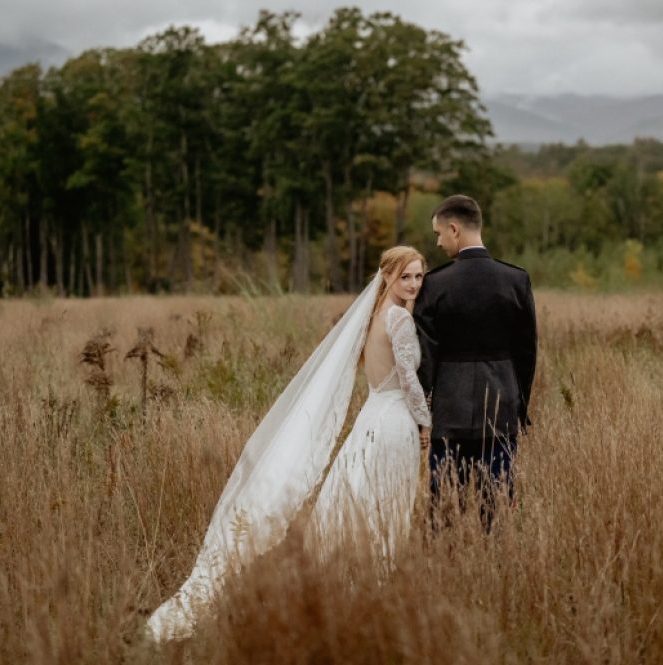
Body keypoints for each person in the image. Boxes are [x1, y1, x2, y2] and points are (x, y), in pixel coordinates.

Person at [146, 247, 431, 642]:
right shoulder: (398, 317)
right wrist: (425, 421)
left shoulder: (373, 316)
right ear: (387, 277)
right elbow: (410, 381)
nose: (414, 284)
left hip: (371, 418)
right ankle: (367, 594)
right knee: (384, 505)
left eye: (419, 276)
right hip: (394, 421)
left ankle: (341, 592)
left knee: (363, 502)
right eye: (406, 277)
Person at [413, 194, 537, 527]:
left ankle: (446, 568)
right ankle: (491, 570)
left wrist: (422, 412)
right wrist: (518, 406)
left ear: (454, 229)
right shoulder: (516, 280)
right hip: (501, 409)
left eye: (439, 233)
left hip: (449, 413)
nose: (438, 242)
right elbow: (527, 354)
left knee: (443, 511)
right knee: (494, 511)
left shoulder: (435, 284)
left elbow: (425, 358)